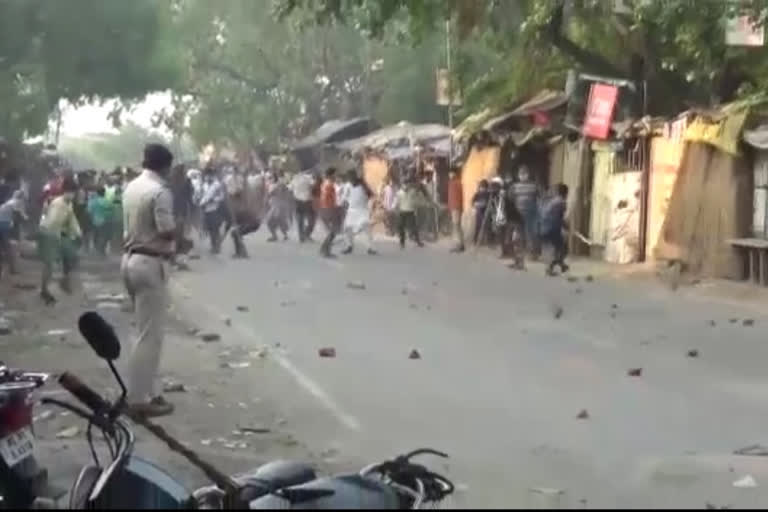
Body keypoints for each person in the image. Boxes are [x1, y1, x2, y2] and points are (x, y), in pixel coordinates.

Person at [121, 143, 176, 418]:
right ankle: (139, 398)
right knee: (150, 336)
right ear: (166, 166)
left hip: (130, 259)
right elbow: (166, 231)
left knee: (142, 331)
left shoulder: (131, 187)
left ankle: (146, 391)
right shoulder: (160, 192)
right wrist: (183, 238)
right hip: (150, 262)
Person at [37, 177, 81, 304]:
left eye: (73, 192)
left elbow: (72, 220)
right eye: (70, 192)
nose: (72, 195)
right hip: (49, 234)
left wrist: (78, 233)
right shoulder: (58, 204)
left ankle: (64, 281)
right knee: (49, 265)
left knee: (71, 256)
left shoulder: (68, 204)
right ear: (65, 191)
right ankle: (44, 290)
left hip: (56, 235)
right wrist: (64, 234)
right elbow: (52, 222)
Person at [340, 170, 376, 255]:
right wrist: (344, 208)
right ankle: (349, 246)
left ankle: (370, 248)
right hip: (351, 211)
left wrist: (370, 206)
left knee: (366, 228)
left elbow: (371, 195)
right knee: (347, 229)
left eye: (352, 177)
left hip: (362, 210)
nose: (350, 179)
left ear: (355, 177)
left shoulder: (363, 185)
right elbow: (344, 198)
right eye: (349, 177)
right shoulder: (347, 186)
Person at [540, 183, 570, 276]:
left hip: (545, 227)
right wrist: (566, 226)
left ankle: (561, 265)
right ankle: (552, 267)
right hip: (552, 227)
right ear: (566, 193)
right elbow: (559, 217)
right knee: (563, 248)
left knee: (558, 248)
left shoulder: (552, 201)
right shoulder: (562, 202)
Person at [511, 165, 540, 257]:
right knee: (518, 233)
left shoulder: (534, 186)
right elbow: (510, 198)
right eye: (521, 174)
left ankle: (533, 253)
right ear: (518, 175)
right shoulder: (514, 186)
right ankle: (519, 252)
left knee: (530, 233)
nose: (523, 175)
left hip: (531, 213)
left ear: (528, 174)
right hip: (518, 213)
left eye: (525, 173)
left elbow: (539, 198)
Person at [0, 190, 27, 278]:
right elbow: (20, 214)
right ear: (21, 198)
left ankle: (9, 268)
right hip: (4, 225)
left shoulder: (9, 202)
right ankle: (12, 269)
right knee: (9, 247)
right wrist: (25, 217)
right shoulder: (15, 202)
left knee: (5, 247)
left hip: (3, 223)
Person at [393, 178, 426, 249]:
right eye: (404, 184)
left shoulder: (413, 191)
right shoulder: (399, 193)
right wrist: (394, 208)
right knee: (401, 228)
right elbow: (396, 202)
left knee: (413, 227)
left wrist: (419, 204)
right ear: (402, 185)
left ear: (409, 185)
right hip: (402, 212)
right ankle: (402, 243)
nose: (406, 186)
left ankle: (418, 241)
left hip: (410, 212)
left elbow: (419, 197)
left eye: (407, 184)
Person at [199, 167, 226, 254]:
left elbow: (222, 197)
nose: (207, 177)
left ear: (212, 175)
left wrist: (214, 199)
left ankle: (217, 247)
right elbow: (201, 196)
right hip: (206, 210)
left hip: (215, 209)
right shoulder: (204, 185)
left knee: (215, 229)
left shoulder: (217, 185)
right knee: (210, 230)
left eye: (209, 175)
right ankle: (213, 245)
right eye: (206, 175)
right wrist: (201, 202)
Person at [318, 167, 339, 258]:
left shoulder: (325, 183)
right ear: (332, 174)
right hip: (329, 208)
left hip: (325, 208)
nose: (336, 176)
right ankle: (325, 250)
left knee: (332, 231)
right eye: (335, 174)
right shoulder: (329, 185)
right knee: (333, 231)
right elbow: (328, 198)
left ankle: (325, 248)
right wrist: (334, 208)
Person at [87, 186, 113, 257]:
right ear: (104, 193)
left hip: (95, 222)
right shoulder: (108, 202)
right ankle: (102, 251)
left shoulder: (93, 201)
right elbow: (111, 212)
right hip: (105, 222)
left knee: (96, 237)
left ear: (97, 193)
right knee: (104, 237)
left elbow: (89, 211)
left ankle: (98, 251)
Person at [265, 173, 292, 242]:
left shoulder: (277, 185)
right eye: (270, 178)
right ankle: (281, 235)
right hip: (276, 205)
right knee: (278, 221)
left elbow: (270, 194)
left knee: (273, 220)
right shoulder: (274, 185)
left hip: (278, 206)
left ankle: (277, 236)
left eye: (271, 178)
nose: (270, 179)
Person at [291, 169, 315, 242]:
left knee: (300, 220)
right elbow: (313, 185)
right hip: (307, 201)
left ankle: (301, 236)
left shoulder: (295, 178)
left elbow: (290, 188)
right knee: (311, 219)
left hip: (298, 201)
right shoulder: (308, 177)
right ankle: (306, 234)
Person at [447, 167, 464, 252]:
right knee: (456, 226)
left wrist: (460, 207)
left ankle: (459, 244)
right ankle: (459, 244)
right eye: (449, 173)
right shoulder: (451, 183)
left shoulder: (458, 183)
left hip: (456, 207)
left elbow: (460, 196)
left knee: (456, 226)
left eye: (451, 173)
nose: (450, 174)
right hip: (453, 207)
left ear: (455, 173)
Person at [471, 179, 490, 246]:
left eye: (484, 187)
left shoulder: (488, 195)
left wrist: (484, 204)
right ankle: (475, 241)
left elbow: (489, 203)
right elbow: (472, 202)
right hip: (478, 213)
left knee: (486, 227)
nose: (482, 189)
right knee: (477, 227)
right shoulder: (477, 194)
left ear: (486, 188)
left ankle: (487, 241)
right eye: (481, 187)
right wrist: (476, 204)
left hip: (486, 213)